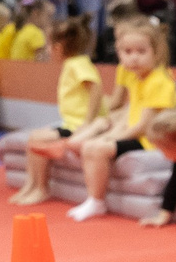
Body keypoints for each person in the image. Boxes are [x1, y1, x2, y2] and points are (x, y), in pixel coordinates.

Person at [65, 17, 176, 221]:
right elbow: (127, 112)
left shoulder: (159, 82)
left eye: (141, 52)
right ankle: (95, 197)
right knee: (86, 144)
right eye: (127, 52)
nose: (134, 58)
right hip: (136, 134)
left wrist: (109, 139)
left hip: (150, 140)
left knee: (95, 148)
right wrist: (108, 131)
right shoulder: (137, 77)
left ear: (156, 52)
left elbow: (144, 126)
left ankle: (96, 201)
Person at [11, 16, 107, 205]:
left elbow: (95, 87)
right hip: (71, 123)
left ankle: (41, 188)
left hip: (79, 125)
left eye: (48, 46)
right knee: (35, 137)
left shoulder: (77, 64)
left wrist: (88, 121)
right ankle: (30, 185)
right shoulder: (73, 64)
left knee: (39, 139)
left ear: (57, 48)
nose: (47, 51)